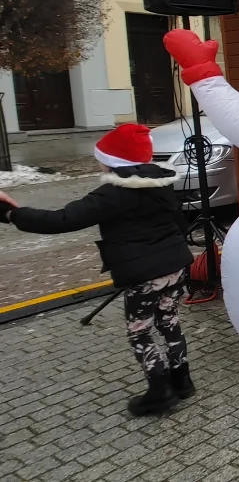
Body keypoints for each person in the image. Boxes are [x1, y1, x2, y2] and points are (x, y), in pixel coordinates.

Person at [0, 124, 196, 416]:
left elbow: (62, 219)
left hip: (144, 275)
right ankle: (182, 381)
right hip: (175, 266)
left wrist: (12, 213)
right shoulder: (163, 182)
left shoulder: (113, 193)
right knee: (169, 321)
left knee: (140, 332)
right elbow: (179, 223)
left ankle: (159, 392)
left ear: (113, 161)